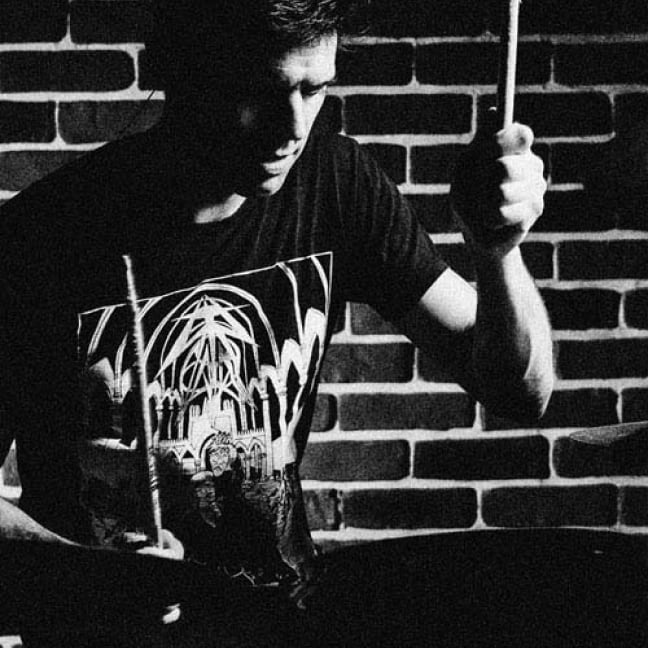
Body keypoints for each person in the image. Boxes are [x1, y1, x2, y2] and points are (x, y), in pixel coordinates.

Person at [0, 0, 553, 644]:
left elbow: (521, 391)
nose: (290, 128)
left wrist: (497, 254)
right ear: (175, 68)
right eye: (257, 91)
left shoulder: (337, 182)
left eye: (314, 90)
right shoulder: (38, 239)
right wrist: (91, 578)